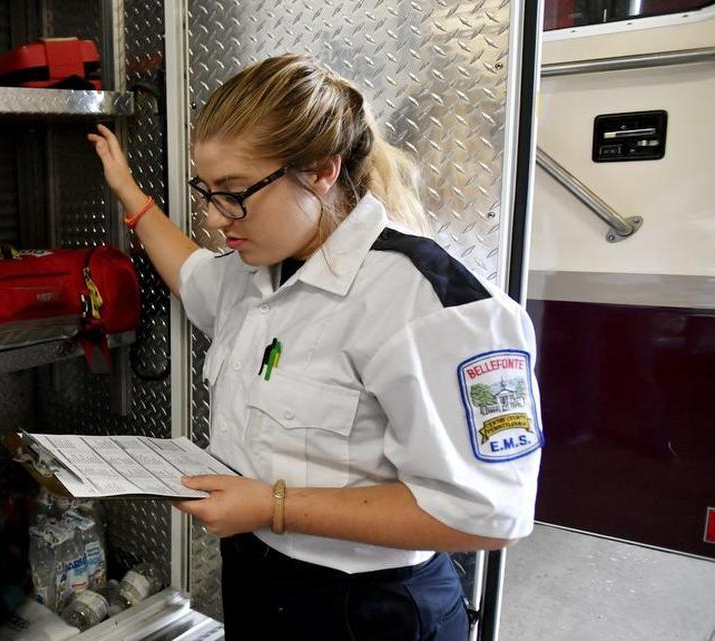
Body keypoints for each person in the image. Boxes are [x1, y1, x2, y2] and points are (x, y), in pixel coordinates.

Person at [88, 54, 542, 641]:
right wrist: (129, 193)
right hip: (259, 586)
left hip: (369, 611)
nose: (215, 218)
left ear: (322, 172)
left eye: (233, 192)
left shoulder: (432, 306)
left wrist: (272, 507)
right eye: (206, 192)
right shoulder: (251, 272)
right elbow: (189, 271)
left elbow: (490, 512)